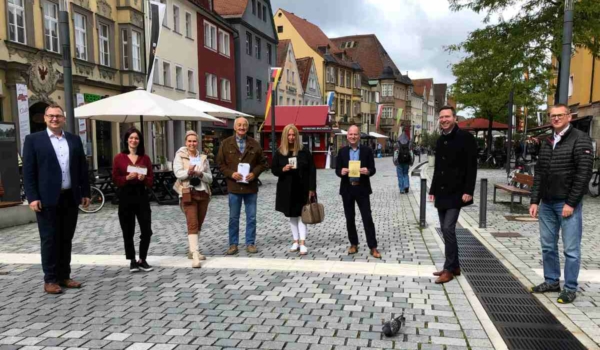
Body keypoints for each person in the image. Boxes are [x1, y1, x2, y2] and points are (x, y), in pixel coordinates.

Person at [23, 104, 90, 294]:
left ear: (64, 119)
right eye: (51, 116)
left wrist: (85, 192)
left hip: (70, 197)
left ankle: (64, 275)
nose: (54, 119)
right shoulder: (33, 140)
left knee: (66, 238)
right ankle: (50, 279)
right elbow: (28, 172)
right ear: (45, 118)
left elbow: (81, 169)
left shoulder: (74, 140)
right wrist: (32, 197)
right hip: (46, 199)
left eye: (58, 116)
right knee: (49, 239)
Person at [529, 104, 593, 304]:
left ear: (569, 117)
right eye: (552, 116)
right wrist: (534, 200)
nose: (556, 119)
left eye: (560, 115)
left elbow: (583, 174)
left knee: (571, 249)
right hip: (547, 203)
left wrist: (571, 203)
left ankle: (570, 288)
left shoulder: (580, 139)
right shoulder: (548, 140)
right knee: (548, 246)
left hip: (566, 203)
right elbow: (539, 173)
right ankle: (551, 281)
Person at [429, 106, 477, 284]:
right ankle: (454, 265)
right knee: (445, 229)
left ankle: (449, 269)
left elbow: (472, 167)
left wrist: (468, 191)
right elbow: (438, 168)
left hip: (457, 192)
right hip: (442, 192)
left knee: (448, 228)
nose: (444, 120)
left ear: (455, 118)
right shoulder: (441, 139)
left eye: (447, 116)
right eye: (441, 117)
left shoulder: (465, 138)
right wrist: (432, 189)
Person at [216, 117, 266, 255]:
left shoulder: (255, 144)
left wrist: (254, 174)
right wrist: (231, 174)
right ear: (234, 127)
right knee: (233, 218)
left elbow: (263, 163)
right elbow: (220, 164)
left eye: (244, 125)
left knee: (251, 217)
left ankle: (250, 243)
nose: (242, 127)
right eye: (239, 125)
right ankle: (233, 244)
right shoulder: (226, 144)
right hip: (234, 187)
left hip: (250, 187)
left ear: (247, 127)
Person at [112, 128, 154, 273]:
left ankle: (143, 259)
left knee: (147, 230)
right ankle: (132, 260)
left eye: (136, 138)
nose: (133, 140)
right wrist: (126, 178)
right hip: (125, 196)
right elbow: (115, 179)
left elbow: (151, 181)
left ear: (140, 141)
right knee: (128, 230)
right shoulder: (119, 158)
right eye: (131, 138)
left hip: (141, 196)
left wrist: (144, 179)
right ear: (126, 140)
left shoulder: (145, 158)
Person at [335, 125, 381, 258]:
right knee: (350, 218)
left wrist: (368, 171)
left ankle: (373, 246)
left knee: (367, 218)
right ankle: (353, 244)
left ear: (359, 136)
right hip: (347, 189)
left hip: (362, 188)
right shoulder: (342, 151)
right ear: (347, 136)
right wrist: (341, 172)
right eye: (350, 134)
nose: (353, 137)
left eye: (355, 134)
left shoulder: (367, 151)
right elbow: (337, 170)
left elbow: (373, 169)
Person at [272, 124, 317, 255]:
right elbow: (274, 169)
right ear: (285, 136)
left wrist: (312, 188)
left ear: (297, 136)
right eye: (289, 135)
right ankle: (295, 241)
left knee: (302, 216)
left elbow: (312, 170)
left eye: (293, 135)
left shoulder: (304, 151)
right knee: (291, 215)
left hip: (302, 188)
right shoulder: (280, 152)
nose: (291, 137)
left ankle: (303, 243)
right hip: (286, 189)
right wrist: (282, 169)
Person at [173, 130, 212, 268]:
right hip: (187, 192)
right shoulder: (180, 156)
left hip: (203, 193)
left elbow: (210, 178)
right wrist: (188, 172)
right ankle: (195, 254)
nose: (192, 143)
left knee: (199, 223)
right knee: (192, 222)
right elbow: (178, 173)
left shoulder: (202, 157)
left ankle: (192, 250)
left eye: (194, 141)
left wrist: (200, 174)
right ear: (185, 142)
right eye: (189, 141)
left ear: (198, 142)